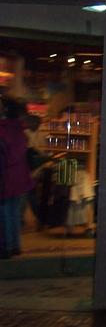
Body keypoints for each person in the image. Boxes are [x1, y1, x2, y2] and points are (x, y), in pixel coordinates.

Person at [0, 96, 35, 259]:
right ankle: (15, 245)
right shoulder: (19, 130)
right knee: (13, 211)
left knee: (4, 212)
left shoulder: (3, 130)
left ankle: (6, 247)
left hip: (6, 177)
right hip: (20, 177)